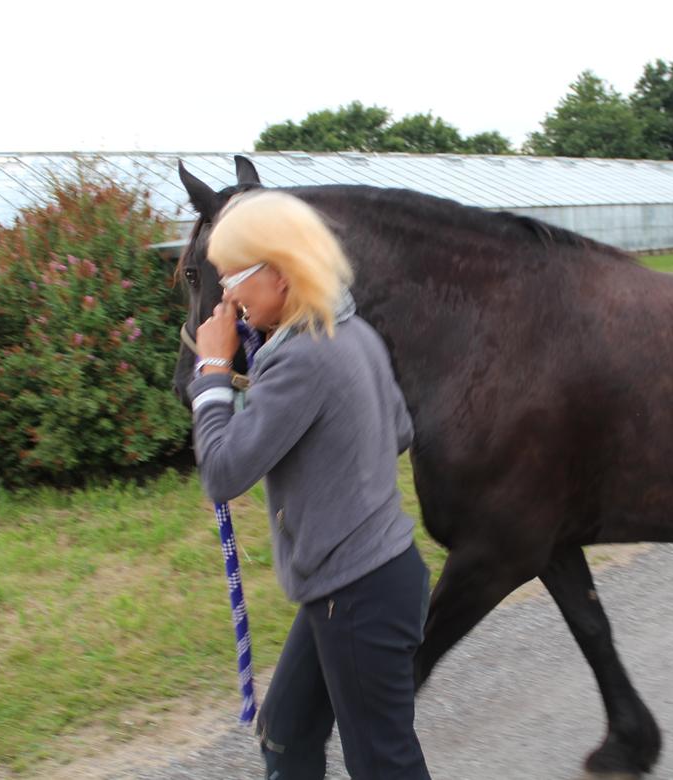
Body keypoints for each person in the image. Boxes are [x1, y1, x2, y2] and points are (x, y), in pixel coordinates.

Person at [189, 190, 431, 780]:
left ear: (279, 272)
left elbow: (222, 473)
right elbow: (397, 430)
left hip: (355, 593)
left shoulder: (301, 360)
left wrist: (214, 375)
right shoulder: (352, 333)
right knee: (287, 732)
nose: (226, 298)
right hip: (366, 579)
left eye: (232, 279)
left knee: (383, 764)